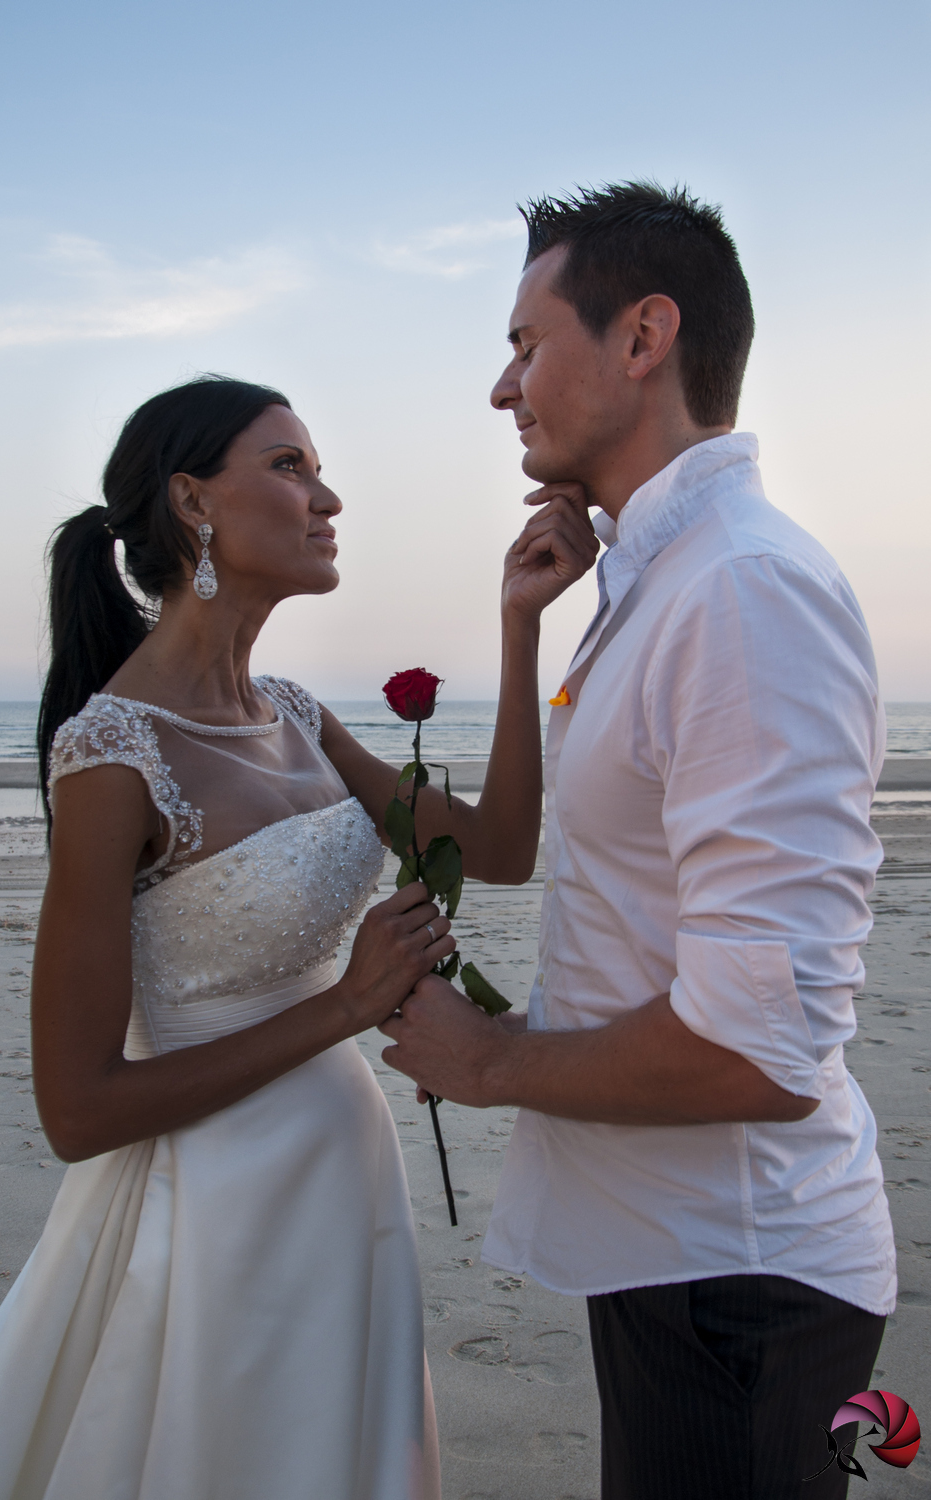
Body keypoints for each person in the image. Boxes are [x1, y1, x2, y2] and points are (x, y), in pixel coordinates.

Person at [0, 374, 597, 1500]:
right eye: (289, 467)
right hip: (214, 1215)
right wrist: (347, 1003)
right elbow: (75, 1110)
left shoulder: (295, 713)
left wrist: (519, 624)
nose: (326, 497)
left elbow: (497, 847)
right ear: (194, 503)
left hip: (342, 1182)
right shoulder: (110, 759)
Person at [379, 184, 896, 1500]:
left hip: (738, 1279)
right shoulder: (661, 583)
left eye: (525, 342)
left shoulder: (739, 592)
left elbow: (760, 1046)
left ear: (643, 336)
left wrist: (488, 1058)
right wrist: (525, 626)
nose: (503, 388)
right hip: (677, 1257)